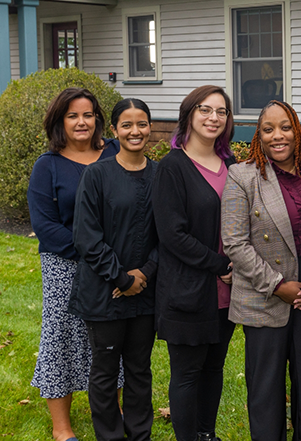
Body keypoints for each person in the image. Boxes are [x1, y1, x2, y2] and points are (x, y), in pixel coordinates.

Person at [222, 100, 301, 441]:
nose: (277, 136)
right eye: (268, 129)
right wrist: (278, 285)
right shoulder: (243, 175)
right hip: (265, 292)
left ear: (298, 131)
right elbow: (235, 243)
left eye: (285, 127)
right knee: (266, 391)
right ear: (259, 135)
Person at [27, 87, 121, 441]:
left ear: (98, 118)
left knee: (114, 339)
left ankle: (116, 411)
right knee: (61, 340)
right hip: (66, 265)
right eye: (72, 115)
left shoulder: (115, 152)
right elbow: (45, 226)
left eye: (87, 114)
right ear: (60, 122)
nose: (81, 122)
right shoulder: (47, 165)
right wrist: (92, 253)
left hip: (115, 264)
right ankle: (61, 428)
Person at [69, 98, 158, 441]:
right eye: (127, 124)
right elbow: (86, 236)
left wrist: (144, 274)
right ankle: (109, 436)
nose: (135, 131)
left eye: (142, 124)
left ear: (150, 127)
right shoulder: (97, 174)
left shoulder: (160, 174)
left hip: (145, 294)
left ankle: (139, 435)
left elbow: (168, 232)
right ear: (114, 130)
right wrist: (121, 277)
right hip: (104, 293)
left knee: (139, 369)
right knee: (105, 372)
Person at [153, 85, 236, 441]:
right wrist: (219, 265)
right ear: (189, 115)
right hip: (189, 291)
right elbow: (172, 235)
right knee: (187, 372)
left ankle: (206, 434)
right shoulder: (172, 168)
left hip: (228, 293)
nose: (213, 118)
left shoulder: (233, 166)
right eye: (205, 110)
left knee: (214, 366)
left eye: (220, 112)